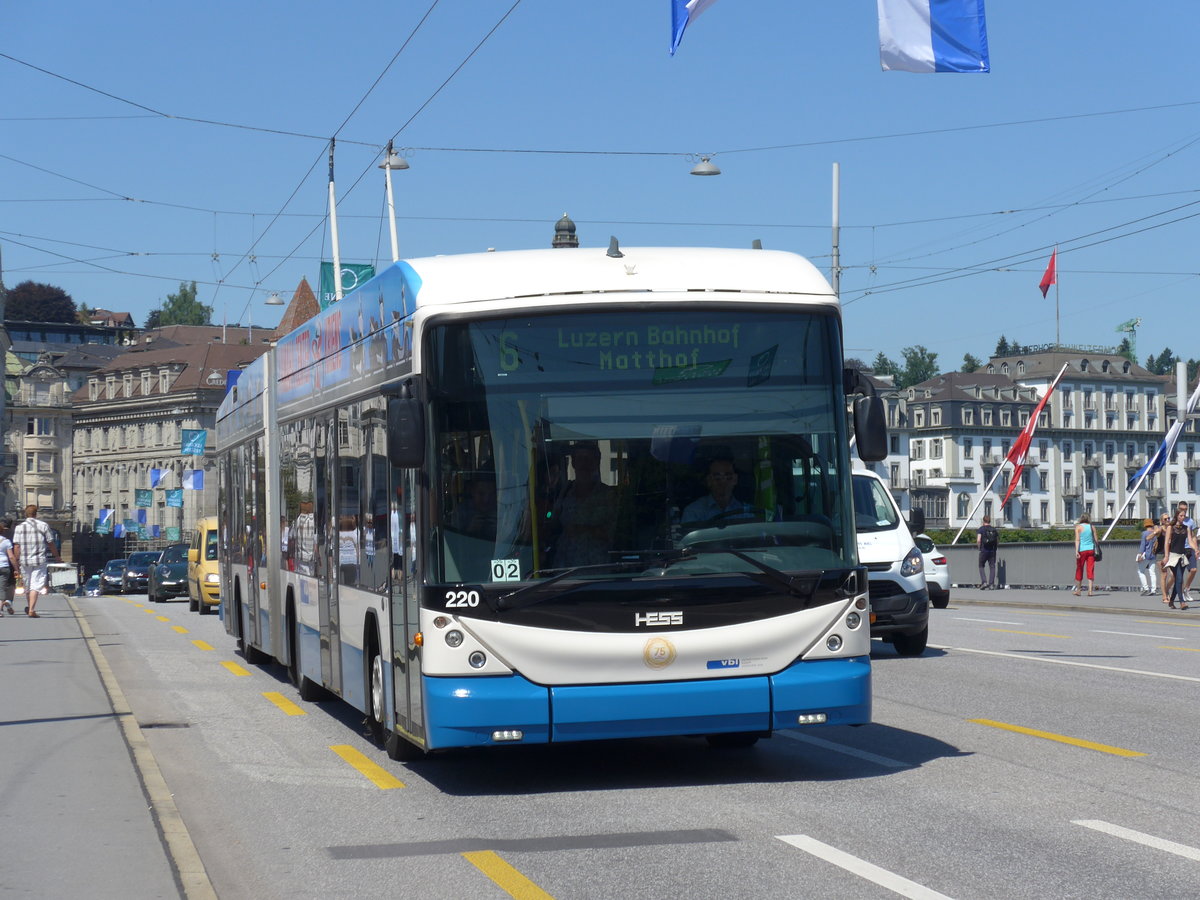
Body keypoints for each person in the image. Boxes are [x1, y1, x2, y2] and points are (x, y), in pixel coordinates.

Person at [552, 442, 617, 567]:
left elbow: (615, 534)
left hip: (598, 569)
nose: (584, 464)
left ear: (597, 462)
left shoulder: (609, 495)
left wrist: (582, 529)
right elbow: (554, 525)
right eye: (580, 458)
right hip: (564, 570)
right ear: (573, 463)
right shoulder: (564, 493)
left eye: (589, 459)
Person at [13, 505, 61, 617]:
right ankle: (31, 609)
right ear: (36, 514)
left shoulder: (19, 527)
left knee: (28, 586)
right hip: (39, 560)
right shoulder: (43, 525)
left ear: (26, 514)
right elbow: (50, 543)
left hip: (24, 561)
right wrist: (57, 556)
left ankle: (30, 607)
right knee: (36, 585)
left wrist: (16, 560)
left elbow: (16, 546)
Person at [681, 457, 756, 528]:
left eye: (728, 476)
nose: (723, 481)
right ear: (709, 480)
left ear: (735, 480)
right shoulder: (693, 512)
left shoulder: (746, 513)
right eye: (717, 477)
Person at [1161, 507, 1195, 610]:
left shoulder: (1186, 528)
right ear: (1176, 516)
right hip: (1173, 556)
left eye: (1184, 515)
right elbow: (1166, 543)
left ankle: (1171, 601)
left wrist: (1196, 549)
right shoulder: (1170, 527)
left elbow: (1190, 541)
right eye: (1181, 515)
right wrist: (1166, 556)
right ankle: (1182, 602)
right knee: (1179, 578)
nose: (1183, 517)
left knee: (1178, 580)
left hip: (1183, 556)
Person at [451, 475, 497, 540]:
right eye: (481, 493)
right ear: (473, 492)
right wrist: (470, 530)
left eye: (491, 494)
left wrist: (500, 531)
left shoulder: (502, 511)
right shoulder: (461, 512)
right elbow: (454, 543)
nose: (486, 500)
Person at [1072, 512, 1099, 597]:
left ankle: (1078, 590)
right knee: (1090, 569)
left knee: (1079, 569)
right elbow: (1096, 540)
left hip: (1082, 550)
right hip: (1091, 550)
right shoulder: (1092, 527)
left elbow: (1077, 540)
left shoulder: (1078, 527)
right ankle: (1090, 591)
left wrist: (1076, 551)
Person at [1175, 500, 1197, 604]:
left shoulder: (1191, 521)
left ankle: (1186, 589)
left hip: (1189, 548)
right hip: (1179, 550)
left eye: (1185, 509)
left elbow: (1192, 536)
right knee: (1178, 576)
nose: (1184, 512)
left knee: (1193, 570)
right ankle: (1170, 594)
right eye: (1182, 509)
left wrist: (1196, 549)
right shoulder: (1174, 522)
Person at [1136, 518, 1159, 597]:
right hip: (1153, 554)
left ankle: (1146, 588)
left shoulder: (1144, 533)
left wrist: (1140, 554)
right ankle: (1154, 589)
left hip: (1146, 555)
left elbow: (1143, 545)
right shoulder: (1155, 533)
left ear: (1145, 525)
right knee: (1152, 572)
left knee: (1140, 571)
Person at [0, 518, 18, 616]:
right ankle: (8, 601)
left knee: (1, 586)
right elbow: (16, 548)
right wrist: (17, 566)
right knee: (11, 584)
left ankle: (2, 605)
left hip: (3, 562)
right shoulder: (14, 534)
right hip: (10, 563)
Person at [976, 515, 998, 590]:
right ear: (989, 521)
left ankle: (984, 582)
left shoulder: (981, 529)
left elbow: (979, 540)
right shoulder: (994, 529)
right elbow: (997, 541)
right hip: (992, 550)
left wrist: (979, 547)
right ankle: (991, 584)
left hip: (984, 550)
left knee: (981, 566)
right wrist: (995, 549)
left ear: (983, 521)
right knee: (992, 567)